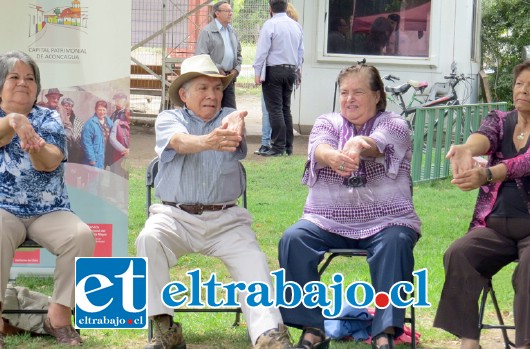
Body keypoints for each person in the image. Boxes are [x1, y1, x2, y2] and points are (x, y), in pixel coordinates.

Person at [135, 54, 292, 349]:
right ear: (184, 94)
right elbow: (179, 142)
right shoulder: (170, 118)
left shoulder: (229, 117)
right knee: (149, 239)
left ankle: (269, 335)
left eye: (217, 88)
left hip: (226, 220)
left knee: (255, 260)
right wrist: (208, 141)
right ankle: (166, 329)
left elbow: (234, 125)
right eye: (203, 88)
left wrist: (234, 123)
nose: (212, 95)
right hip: (175, 217)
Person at [278, 63, 420, 349]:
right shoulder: (327, 122)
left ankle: (384, 334)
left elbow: (377, 143)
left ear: (377, 95)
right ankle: (313, 329)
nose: (349, 99)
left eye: (358, 92)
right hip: (327, 221)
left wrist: (356, 145)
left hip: (387, 221)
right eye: (344, 92)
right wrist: (331, 156)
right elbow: (319, 146)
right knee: (293, 239)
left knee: (395, 242)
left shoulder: (395, 124)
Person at [0, 50, 95, 348]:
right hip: (3, 209)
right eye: (14, 77)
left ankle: (58, 317)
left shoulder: (49, 117)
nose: (22, 83)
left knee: (81, 236)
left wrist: (35, 147)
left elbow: (50, 161)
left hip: (48, 210)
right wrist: (14, 121)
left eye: (30, 78)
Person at [433, 60, 530, 349]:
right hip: (496, 228)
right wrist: (465, 149)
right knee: (459, 253)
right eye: (519, 84)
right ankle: (469, 340)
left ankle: (525, 343)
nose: (523, 90)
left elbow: (524, 163)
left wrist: (487, 173)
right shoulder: (499, 119)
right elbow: (484, 137)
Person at [253, 0, 304, 157]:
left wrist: (257, 72)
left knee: (274, 109)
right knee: (285, 109)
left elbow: (262, 51)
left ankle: (277, 146)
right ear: (286, 7)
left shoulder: (270, 24)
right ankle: (288, 146)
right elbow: (300, 52)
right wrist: (296, 71)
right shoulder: (296, 25)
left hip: (273, 70)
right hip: (290, 70)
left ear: (270, 8)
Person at [195, 0, 242, 109]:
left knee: (230, 111)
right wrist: (217, 69)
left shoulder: (232, 32)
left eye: (231, 11)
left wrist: (236, 69)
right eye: (227, 11)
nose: (231, 13)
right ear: (217, 13)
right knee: (213, 110)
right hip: (212, 79)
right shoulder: (207, 32)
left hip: (229, 78)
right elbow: (202, 56)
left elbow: (238, 54)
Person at [80, 100, 113, 169]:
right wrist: (92, 159)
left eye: (104, 110)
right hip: (95, 158)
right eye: (99, 110)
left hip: (105, 156)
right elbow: (86, 143)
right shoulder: (90, 124)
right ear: (95, 110)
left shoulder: (109, 122)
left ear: (106, 110)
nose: (102, 112)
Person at [59, 97, 82, 163]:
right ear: (62, 106)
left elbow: (78, 136)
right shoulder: (57, 116)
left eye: (70, 106)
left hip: (72, 150)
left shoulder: (77, 121)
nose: (68, 108)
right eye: (66, 105)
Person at [108, 107, 130, 177]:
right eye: (128, 110)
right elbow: (112, 139)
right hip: (119, 159)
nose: (129, 112)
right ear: (125, 111)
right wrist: (124, 150)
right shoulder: (117, 122)